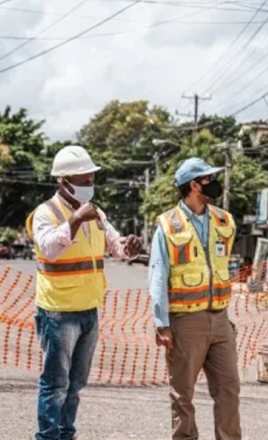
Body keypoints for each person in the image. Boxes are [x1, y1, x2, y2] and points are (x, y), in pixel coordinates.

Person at [25, 145, 141, 440]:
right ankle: (48, 436)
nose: (90, 187)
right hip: (58, 311)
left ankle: (66, 433)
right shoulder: (45, 213)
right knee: (55, 383)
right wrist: (76, 219)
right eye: (84, 181)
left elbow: (115, 246)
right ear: (63, 182)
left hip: (89, 309)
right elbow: (49, 249)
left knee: (76, 383)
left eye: (91, 181)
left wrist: (127, 246)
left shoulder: (97, 213)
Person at [148, 157, 241, 440]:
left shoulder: (224, 220)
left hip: (220, 320)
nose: (214, 183)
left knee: (229, 389)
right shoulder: (167, 225)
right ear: (193, 185)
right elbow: (157, 276)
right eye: (208, 179)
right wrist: (161, 323)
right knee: (183, 394)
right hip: (185, 322)